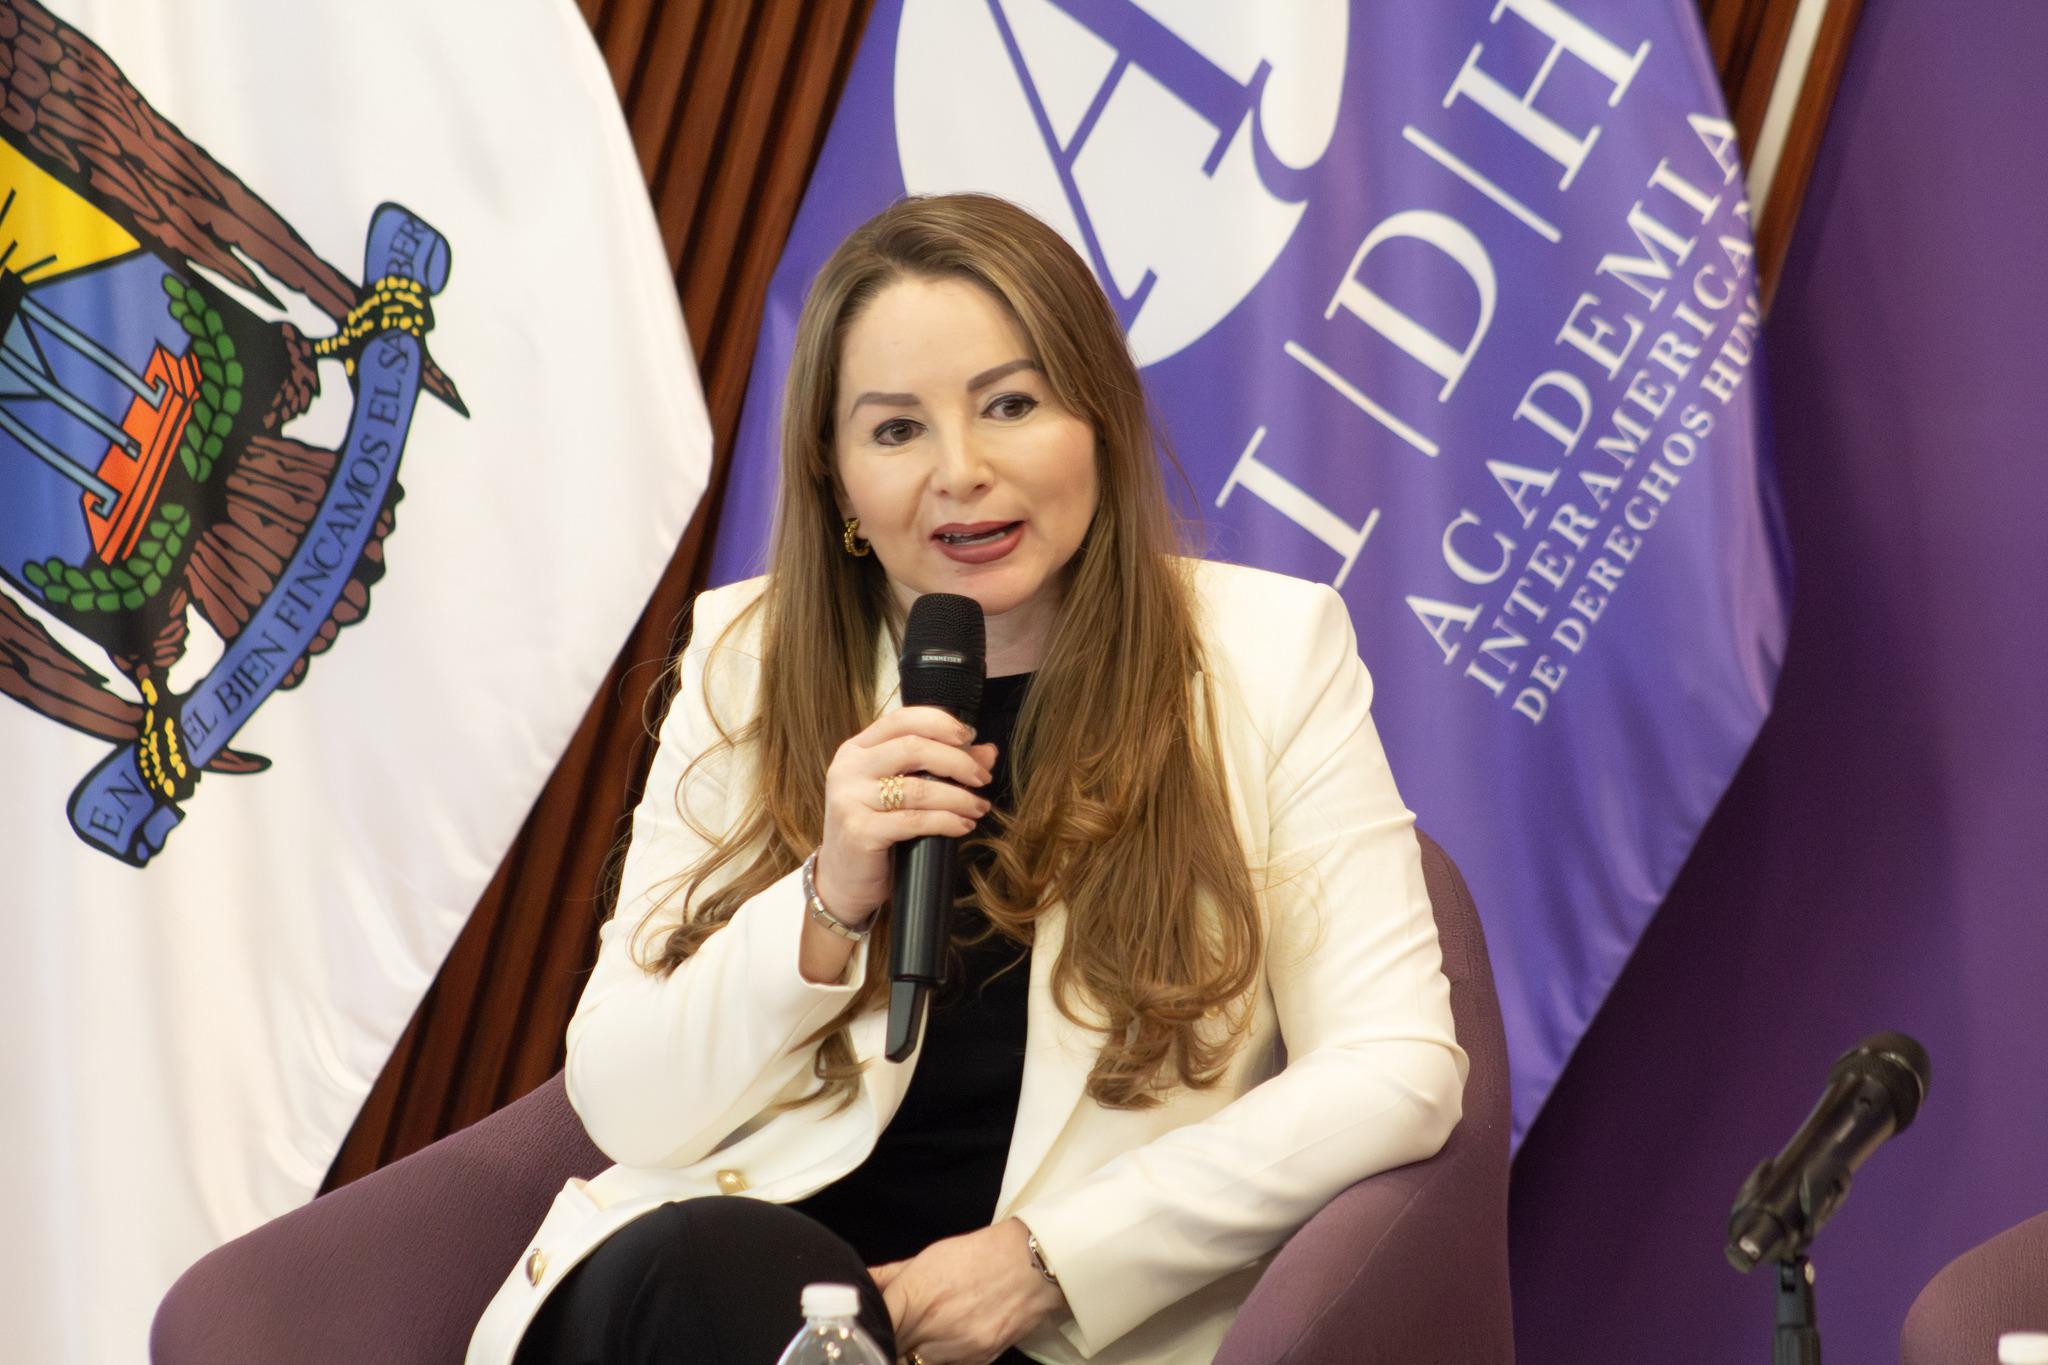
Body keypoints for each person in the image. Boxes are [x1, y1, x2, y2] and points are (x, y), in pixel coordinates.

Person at [468, 193, 1466, 1365]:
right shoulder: (750, 655)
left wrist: (1047, 1259)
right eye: (896, 430)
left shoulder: (1267, 655)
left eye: (1010, 405)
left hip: (1041, 1332)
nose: (961, 471)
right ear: (836, 481)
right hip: (719, 1302)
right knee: (704, 1277)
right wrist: (827, 899)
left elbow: (1395, 1069)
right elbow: (624, 1103)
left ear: (1096, 418)